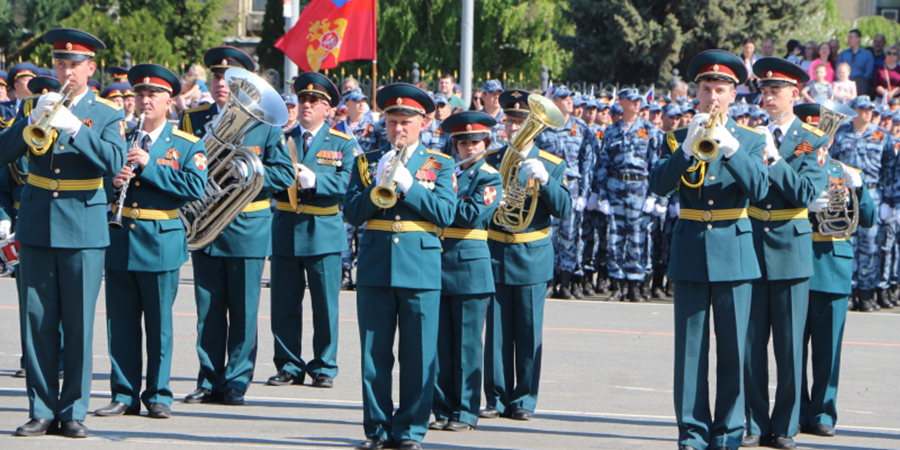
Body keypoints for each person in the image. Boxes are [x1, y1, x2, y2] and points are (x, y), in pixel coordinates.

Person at [0, 28, 126, 438]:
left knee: (78, 324)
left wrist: (76, 128)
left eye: (74, 64)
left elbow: (114, 161)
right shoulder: (34, 103)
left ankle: (72, 410)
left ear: (91, 68)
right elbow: (3, 152)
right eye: (59, 63)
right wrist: (28, 122)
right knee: (37, 321)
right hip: (38, 222)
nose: (66, 71)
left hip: (83, 227)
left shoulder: (106, 113)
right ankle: (40, 408)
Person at [649, 49, 769, 450]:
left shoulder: (750, 139)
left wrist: (732, 148)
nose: (712, 97)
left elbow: (760, 189)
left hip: (734, 250)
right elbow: (659, 185)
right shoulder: (675, 137)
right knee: (690, 350)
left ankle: (729, 432)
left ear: (733, 95)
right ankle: (692, 432)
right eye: (705, 89)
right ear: (695, 93)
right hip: (691, 249)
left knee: (734, 350)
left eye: (720, 89)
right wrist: (686, 149)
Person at [343, 83, 456, 450]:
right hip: (376, 265)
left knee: (418, 355)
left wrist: (410, 186)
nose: (398, 129)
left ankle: (409, 430)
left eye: (406, 122)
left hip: (419, 267)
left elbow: (446, 213)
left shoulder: (440, 164)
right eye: (392, 121)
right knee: (374, 355)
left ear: (423, 123)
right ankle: (376, 428)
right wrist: (374, 185)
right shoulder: (366, 162)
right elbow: (352, 213)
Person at [179, 46, 294, 405]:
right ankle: (208, 378)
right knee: (208, 309)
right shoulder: (193, 119)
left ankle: (236, 381)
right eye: (216, 77)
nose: (220, 84)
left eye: (229, 79)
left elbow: (284, 173)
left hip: (246, 225)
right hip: (205, 224)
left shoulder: (265, 122)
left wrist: (246, 172)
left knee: (243, 310)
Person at [94, 64, 207, 420]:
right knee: (121, 324)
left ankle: (158, 394)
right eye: (140, 94)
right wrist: (111, 183)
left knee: (159, 326)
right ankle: (123, 394)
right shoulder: (120, 137)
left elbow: (195, 187)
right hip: (121, 238)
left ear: (168, 101)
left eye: (153, 95)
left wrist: (150, 166)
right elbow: (96, 179)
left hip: (160, 241)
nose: (145, 101)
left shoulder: (186, 143)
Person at [742, 57, 829, 450]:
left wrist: (775, 159)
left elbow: (805, 193)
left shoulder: (812, 140)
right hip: (751, 244)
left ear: (795, 94)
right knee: (751, 344)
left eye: (775, 90)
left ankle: (784, 426)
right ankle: (755, 422)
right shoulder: (750, 134)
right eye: (764, 90)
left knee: (790, 346)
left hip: (791, 248)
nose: (768, 96)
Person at [481, 89, 571, 422]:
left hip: (531, 253)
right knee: (497, 333)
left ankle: (524, 399)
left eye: (521, 122)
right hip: (496, 249)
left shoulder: (552, 163)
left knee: (529, 331)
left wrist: (546, 181)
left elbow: (563, 209)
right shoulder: (491, 160)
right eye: (509, 121)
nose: (514, 128)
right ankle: (496, 398)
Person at [267, 72, 356, 390]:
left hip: (322, 232)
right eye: (303, 99)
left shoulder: (343, 143)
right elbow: (266, 177)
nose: (306, 104)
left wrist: (317, 181)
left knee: (325, 306)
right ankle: (288, 364)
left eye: (314, 100)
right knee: (284, 304)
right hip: (287, 228)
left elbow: (348, 182)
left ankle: (324, 365)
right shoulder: (281, 139)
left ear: (328, 109)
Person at [793, 103, 877, 439]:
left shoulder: (844, 172)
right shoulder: (791, 168)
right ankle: (795, 412)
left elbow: (867, 219)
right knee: (792, 349)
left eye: (824, 133)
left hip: (832, 266)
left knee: (828, 350)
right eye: (812, 133)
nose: (820, 139)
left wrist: (860, 188)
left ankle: (823, 412)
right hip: (795, 263)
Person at [429, 111, 501, 433]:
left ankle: (466, 412)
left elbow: (471, 214)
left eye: (475, 142)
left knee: (467, 346)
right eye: (462, 143)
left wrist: (439, 198)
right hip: (438, 263)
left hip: (470, 267)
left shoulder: (489, 176)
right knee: (441, 346)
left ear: (485, 143)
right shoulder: (442, 171)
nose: (469, 148)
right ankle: (442, 408)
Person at [590, 88, 662, 302]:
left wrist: (654, 196)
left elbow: (656, 165)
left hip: (640, 189)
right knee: (615, 237)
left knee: (638, 238)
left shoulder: (649, 130)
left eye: (638, 100)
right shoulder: (611, 131)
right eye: (632, 100)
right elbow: (603, 164)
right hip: (616, 188)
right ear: (621, 103)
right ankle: (617, 284)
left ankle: (635, 285)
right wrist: (602, 195)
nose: (637, 104)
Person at [830, 96, 894, 312]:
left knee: (870, 244)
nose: (868, 112)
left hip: (873, 193)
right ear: (854, 110)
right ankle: (848, 290)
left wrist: (889, 200)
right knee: (847, 243)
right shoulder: (841, 133)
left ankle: (866, 292)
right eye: (863, 108)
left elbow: (890, 169)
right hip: (846, 195)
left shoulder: (881, 135)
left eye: (870, 109)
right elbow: (832, 163)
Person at [533, 85, 595, 298]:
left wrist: (585, 194)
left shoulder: (581, 128)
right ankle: (549, 281)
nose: (569, 101)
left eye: (570, 97)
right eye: (564, 98)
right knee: (549, 235)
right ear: (554, 102)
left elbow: (588, 163)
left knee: (570, 236)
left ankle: (566, 282)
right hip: (548, 187)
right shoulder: (542, 126)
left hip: (573, 189)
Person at [836, 29, 875, 97]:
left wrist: (861, 81)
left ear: (858, 39)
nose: (848, 39)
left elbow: (869, 73)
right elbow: (838, 69)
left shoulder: (867, 55)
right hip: (844, 83)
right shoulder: (843, 54)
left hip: (860, 83)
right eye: (848, 37)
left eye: (851, 37)